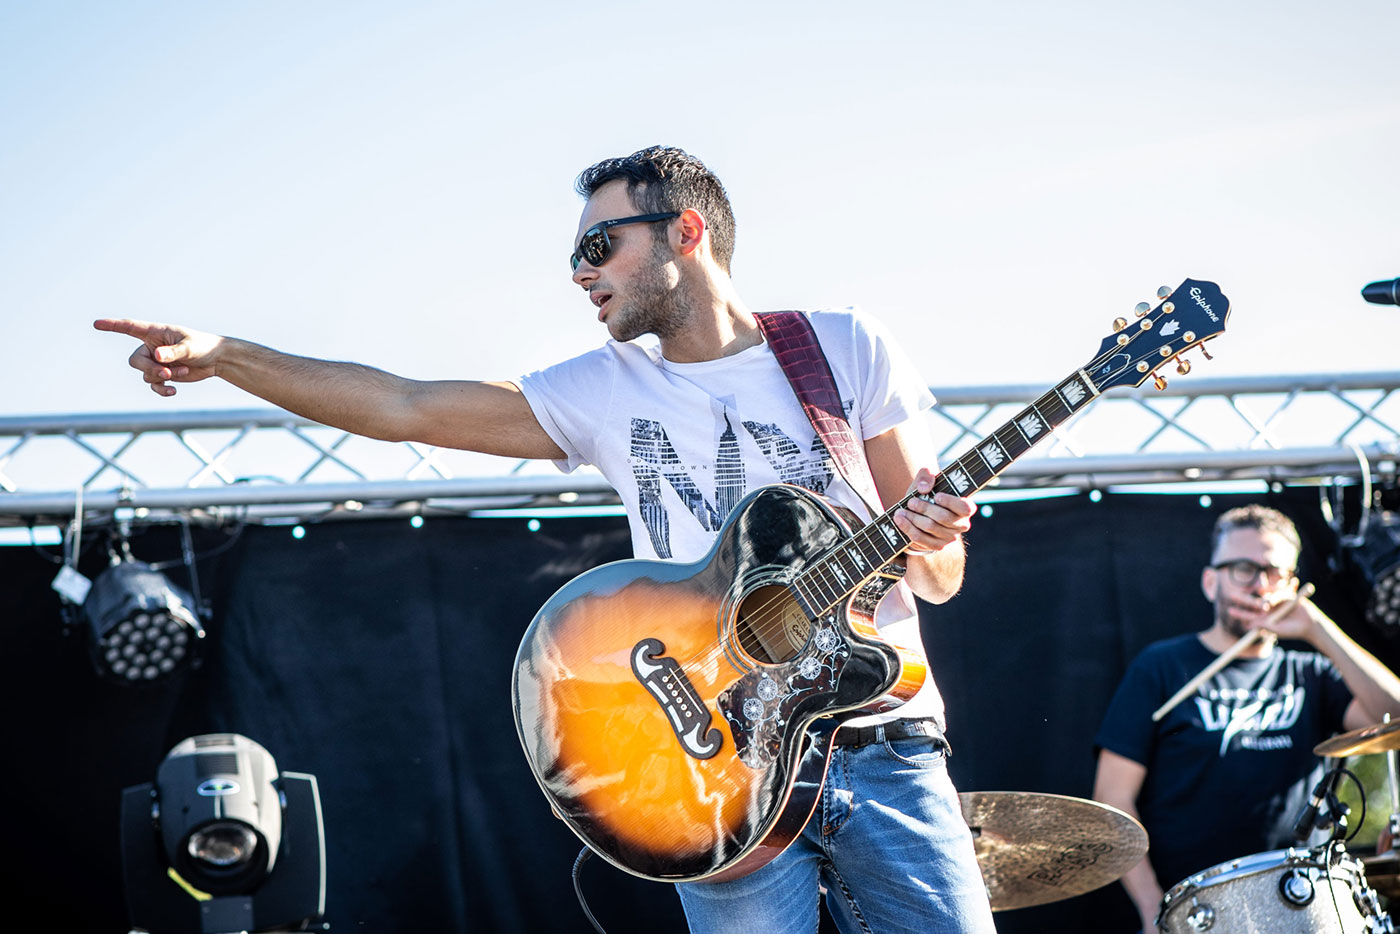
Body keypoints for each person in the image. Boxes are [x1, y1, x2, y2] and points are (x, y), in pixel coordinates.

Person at [95, 146, 996, 934]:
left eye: (599, 247)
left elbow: (940, 575)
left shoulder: (843, 348)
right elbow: (404, 405)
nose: (579, 273)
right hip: (714, 768)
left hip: (886, 742)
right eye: (576, 255)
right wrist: (226, 355)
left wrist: (932, 535)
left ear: (687, 232)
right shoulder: (604, 388)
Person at [1092, 504, 1400, 933]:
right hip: (1197, 909)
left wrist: (1317, 629)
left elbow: (1395, 715)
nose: (1258, 585)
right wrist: (1151, 907)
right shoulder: (1161, 667)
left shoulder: (1310, 673)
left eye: (1274, 572)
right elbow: (1112, 799)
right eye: (1242, 568)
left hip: (1302, 902)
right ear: (1209, 580)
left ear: (1292, 585)